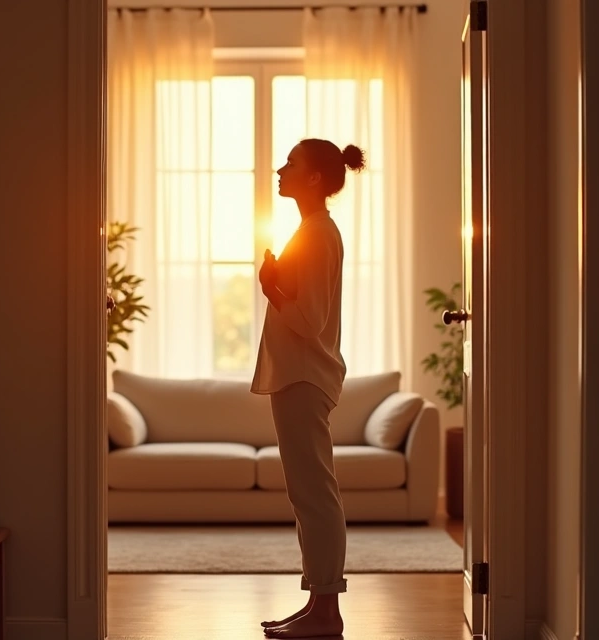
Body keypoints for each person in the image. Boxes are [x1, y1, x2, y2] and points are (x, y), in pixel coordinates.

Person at [251, 138, 365, 638]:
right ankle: (318, 605)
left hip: (304, 375)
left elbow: (310, 319)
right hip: (298, 375)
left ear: (315, 178)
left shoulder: (317, 233)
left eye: (291, 163)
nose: (280, 169)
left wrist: (271, 286)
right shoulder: (311, 230)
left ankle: (326, 614)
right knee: (308, 494)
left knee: (315, 494)